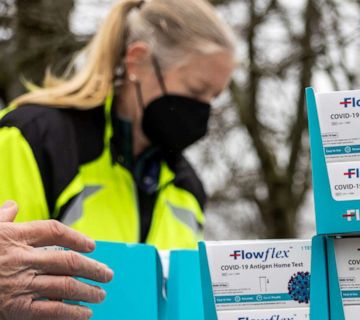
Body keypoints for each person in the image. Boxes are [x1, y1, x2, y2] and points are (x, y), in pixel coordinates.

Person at [0, 0, 236, 250]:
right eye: (196, 90)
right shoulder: (33, 139)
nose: (204, 108)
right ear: (137, 61)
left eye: (214, 97)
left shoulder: (187, 186)